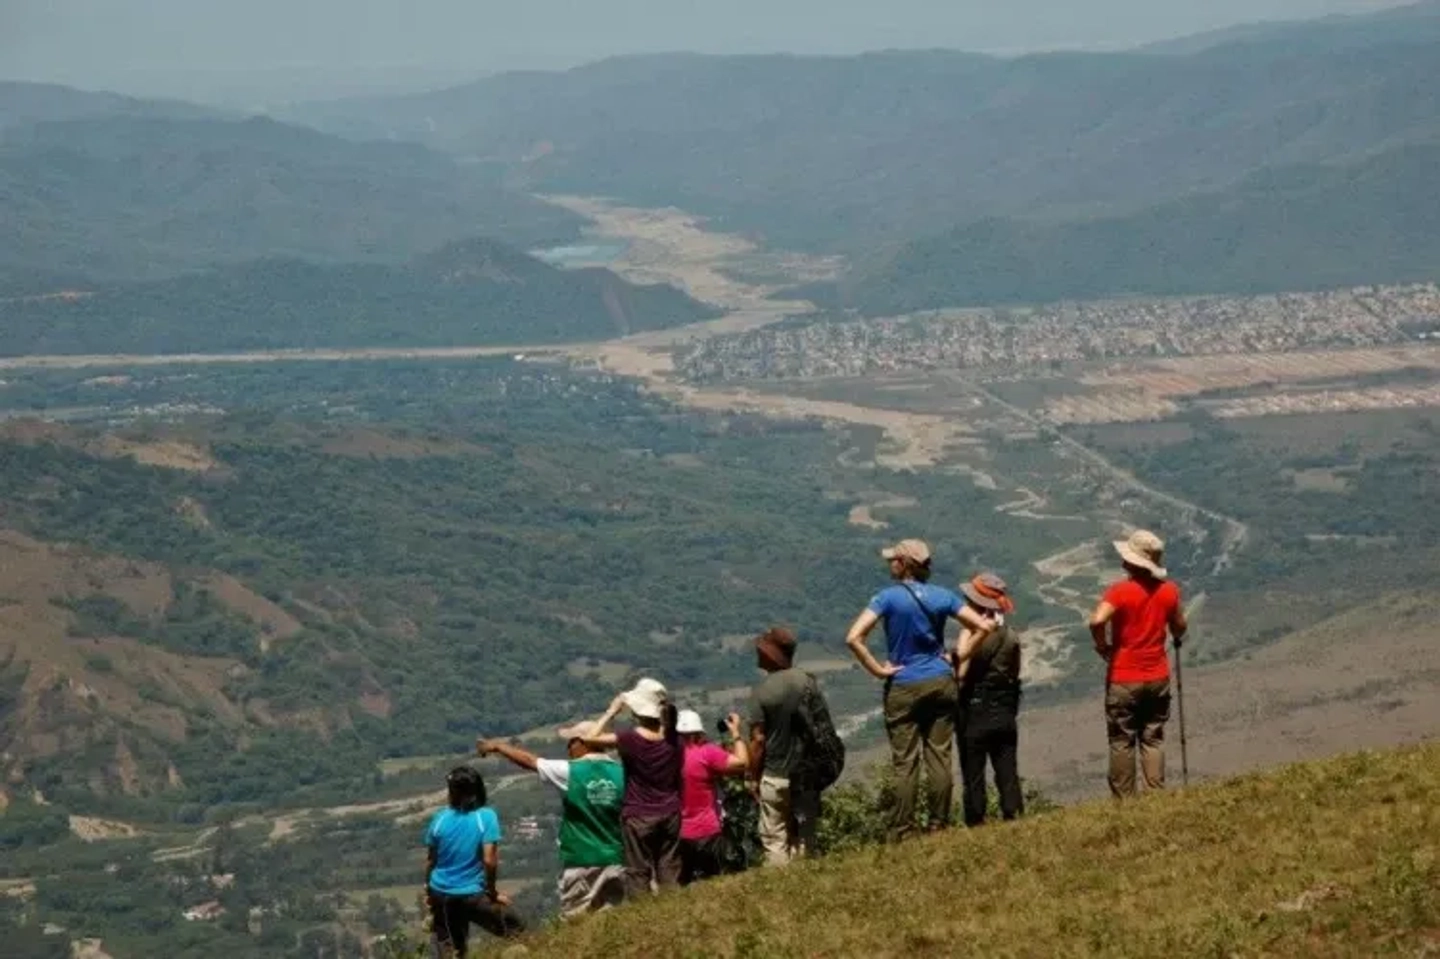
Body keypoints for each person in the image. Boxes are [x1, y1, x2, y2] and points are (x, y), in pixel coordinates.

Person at [845, 538, 992, 840]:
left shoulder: (886, 598)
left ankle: (905, 830)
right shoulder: (943, 596)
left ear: (903, 565)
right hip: (940, 680)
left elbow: (854, 637)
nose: (890, 563)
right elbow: (983, 626)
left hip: (903, 684)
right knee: (939, 757)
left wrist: (877, 670)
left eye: (893, 559)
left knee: (906, 762)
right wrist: (958, 656)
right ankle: (939, 825)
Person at [476, 721, 626, 920]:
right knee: (612, 920)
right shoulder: (623, 773)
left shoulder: (570, 771)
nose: (568, 747)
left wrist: (498, 747)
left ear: (583, 743)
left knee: (576, 923)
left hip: (581, 861)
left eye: (571, 741)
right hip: (617, 860)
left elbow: (530, 761)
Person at [1088, 529, 1188, 798]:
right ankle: (1155, 795)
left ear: (1132, 562)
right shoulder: (1169, 591)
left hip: (1124, 676)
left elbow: (1097, 620)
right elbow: (1180, 626)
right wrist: (1173, 632)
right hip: (1157, 675)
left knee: (1122, 740)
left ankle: (1125, 802)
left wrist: (1102, 646)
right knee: (1153, 737)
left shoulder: (1119, 592)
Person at [576, 678, 683, 897]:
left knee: (637, 871)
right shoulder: (675, 740)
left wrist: (611, 711)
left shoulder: (630, 739)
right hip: (671, 812)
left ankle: (642, 913)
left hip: (638, 814)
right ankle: (674, 908)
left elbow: (588, 738)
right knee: (669, 868)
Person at [422, 766, 524, 957]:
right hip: (471, 895)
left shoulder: (439, 819)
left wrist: (428, 890)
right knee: (515, 929)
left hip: (440, 894)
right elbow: (489, 860)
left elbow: (430, 861)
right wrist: (492, 892)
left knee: (450, 949)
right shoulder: (485, 817)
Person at [953, 572, 1024, 827]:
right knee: (1007, 767)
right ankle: (1014, 816)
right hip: (1004, 708)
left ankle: (977, 820)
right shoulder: (1011, 635)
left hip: (974, 708)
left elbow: (961, 673)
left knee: (973, 771)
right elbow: (1015, 673)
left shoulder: (970, 633)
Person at [747, 626, 821, 865]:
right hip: (806, 775)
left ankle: (779, 882)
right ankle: (807, 878)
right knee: (805, 837)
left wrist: (753, 777)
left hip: (775, 775)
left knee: (774, 837)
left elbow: (758, 740)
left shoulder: (762, 692)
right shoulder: (808, 682)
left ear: (770, 655)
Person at [675, 708, 749, 884]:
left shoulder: (667, 756)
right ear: (698, 732)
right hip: (707, 830)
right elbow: (743, 763)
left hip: (678, 833)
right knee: (715, 881)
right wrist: (735, 732)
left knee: (683, 885)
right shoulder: (707, 752)